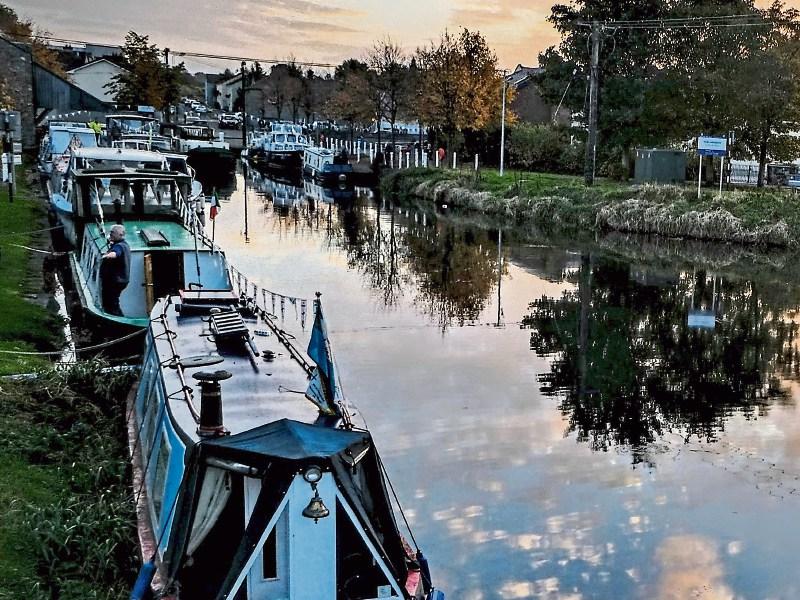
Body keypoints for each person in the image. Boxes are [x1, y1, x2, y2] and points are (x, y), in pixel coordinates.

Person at [100, 224, 131, 316]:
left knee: (111, 301)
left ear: (120, 234)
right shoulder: (124, 245)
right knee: (112, 300)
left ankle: (117, 319)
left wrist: (106, 256)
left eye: (113, 233)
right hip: (121, 279)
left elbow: (115, 253)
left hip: (116, 280)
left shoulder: (119, 246)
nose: (110, 234)